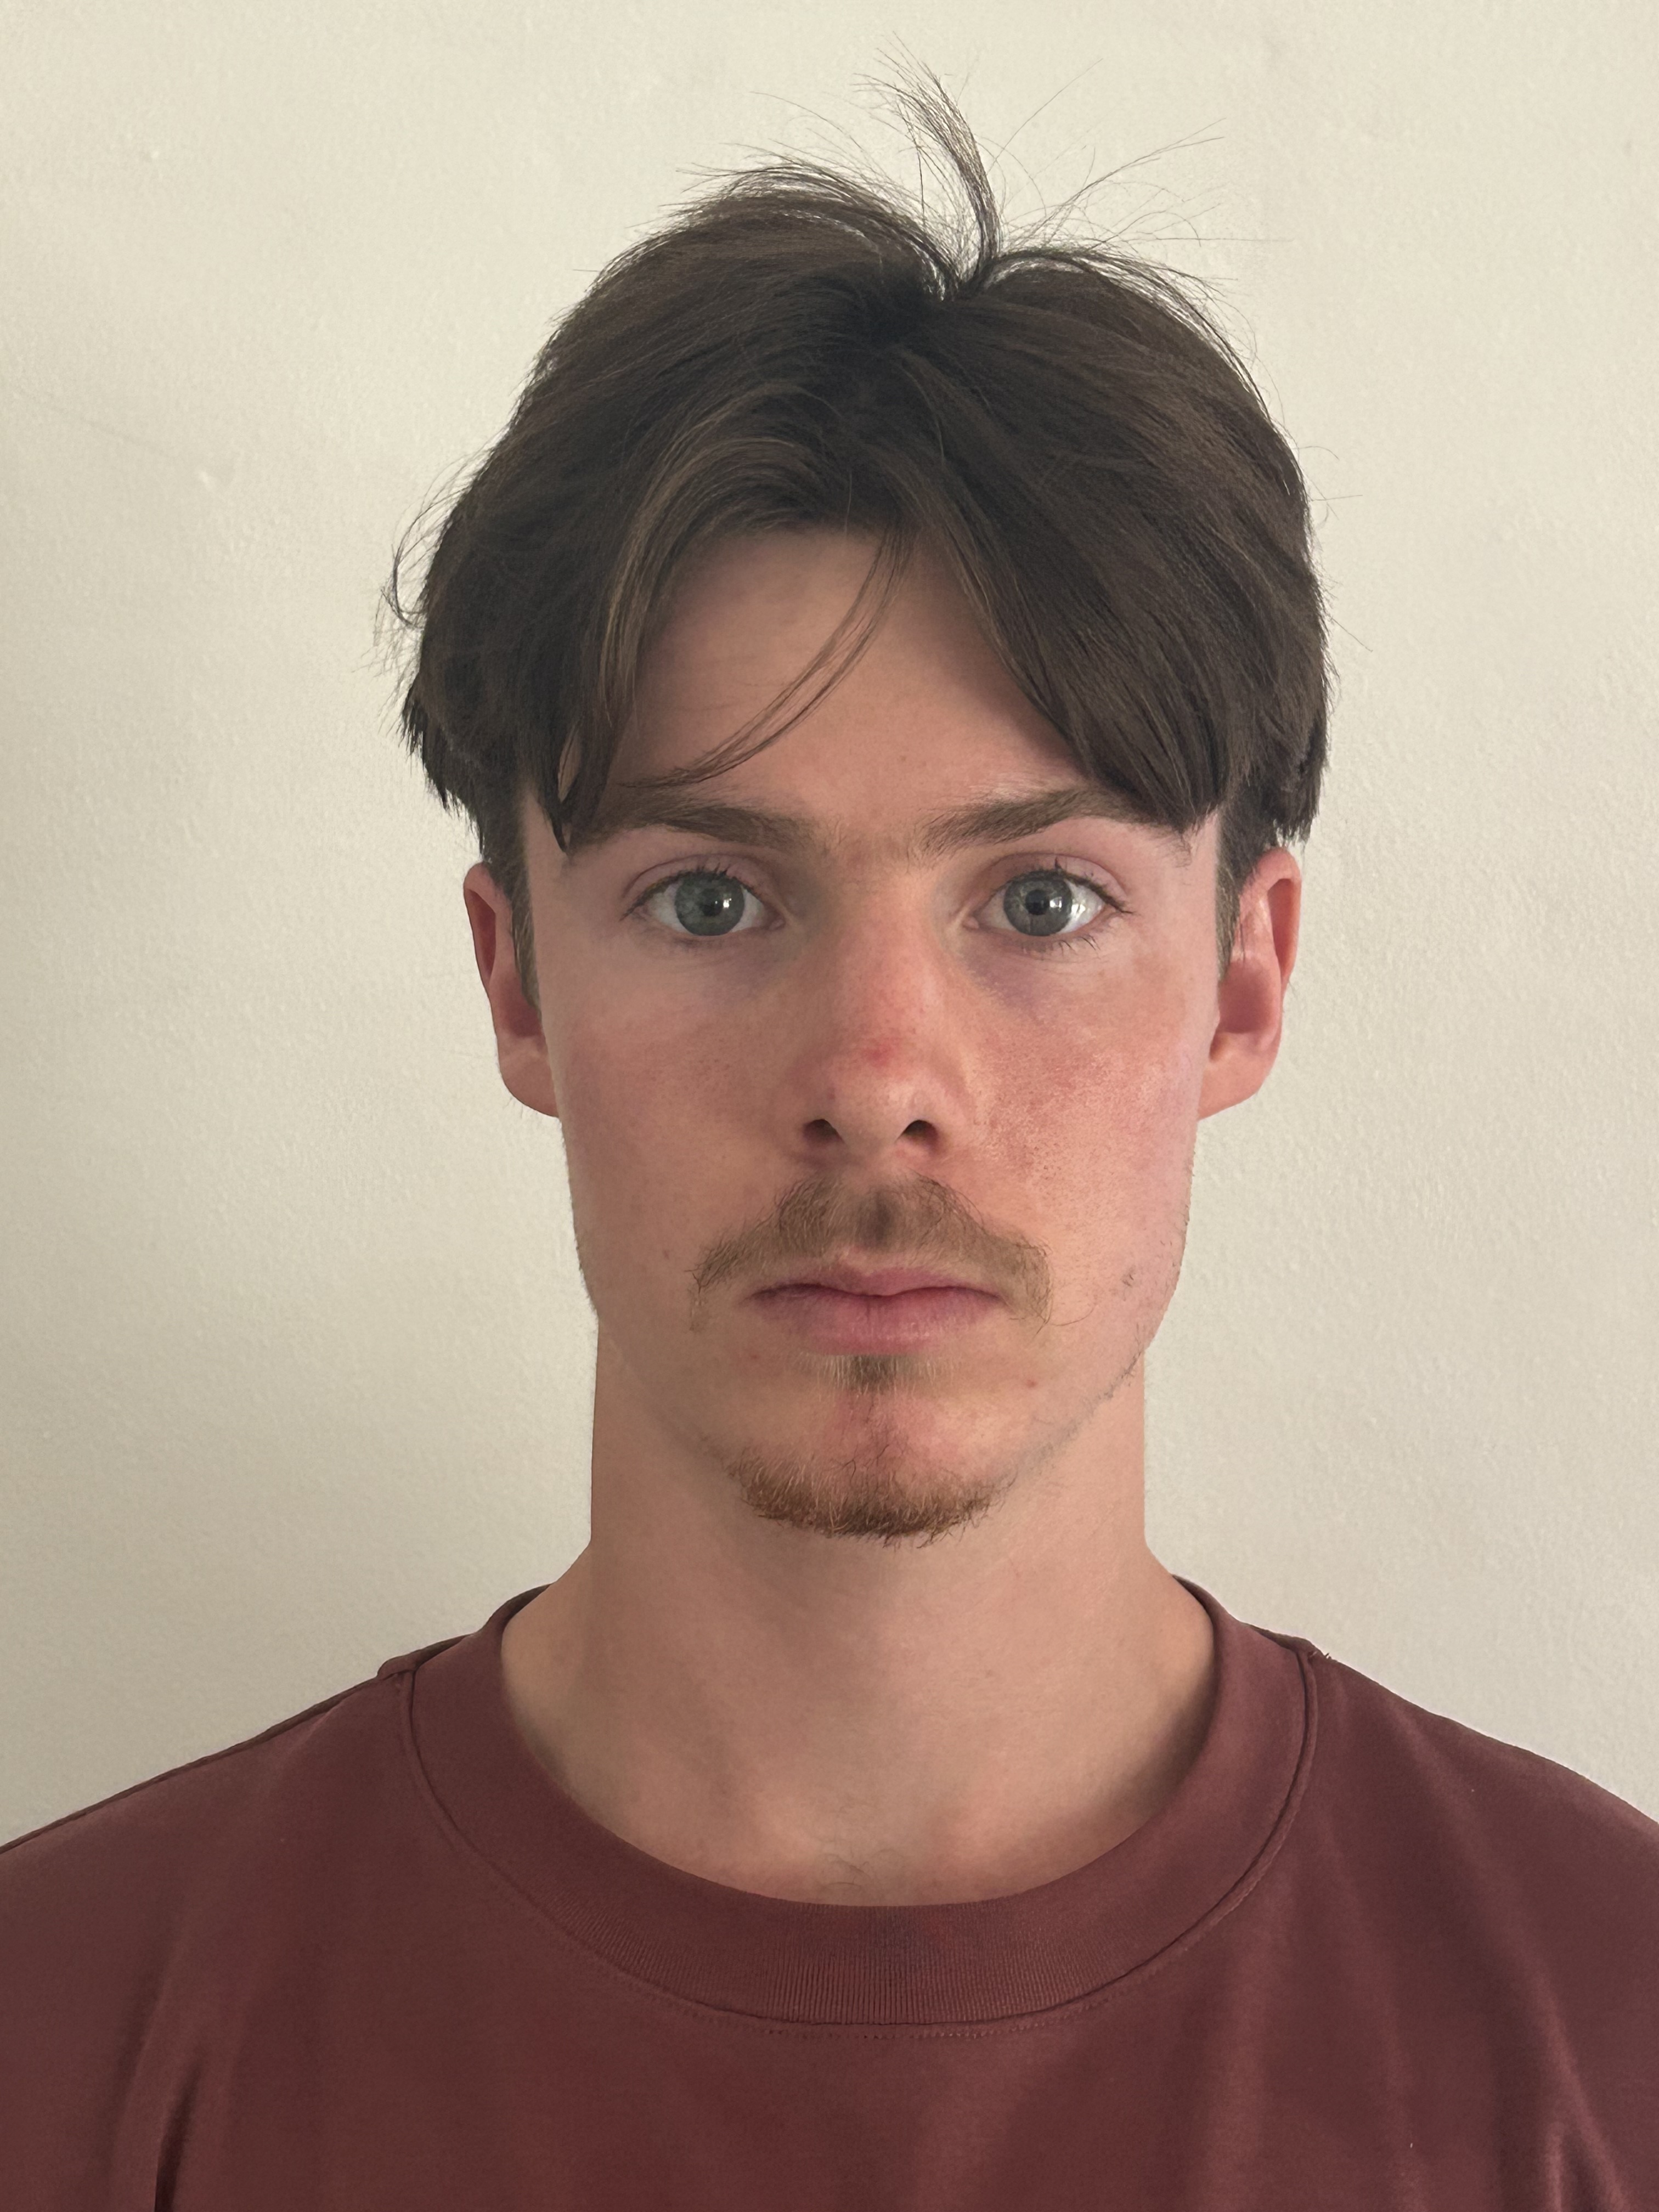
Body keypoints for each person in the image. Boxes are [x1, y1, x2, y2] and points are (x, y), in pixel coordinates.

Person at [3, 85, 1655, 2211]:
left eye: (1040, 900)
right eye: (711, 899)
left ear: (1245, 984)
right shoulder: (63, 2044)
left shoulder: (1609, 2040)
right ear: (519, 985)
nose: (876, 1076)